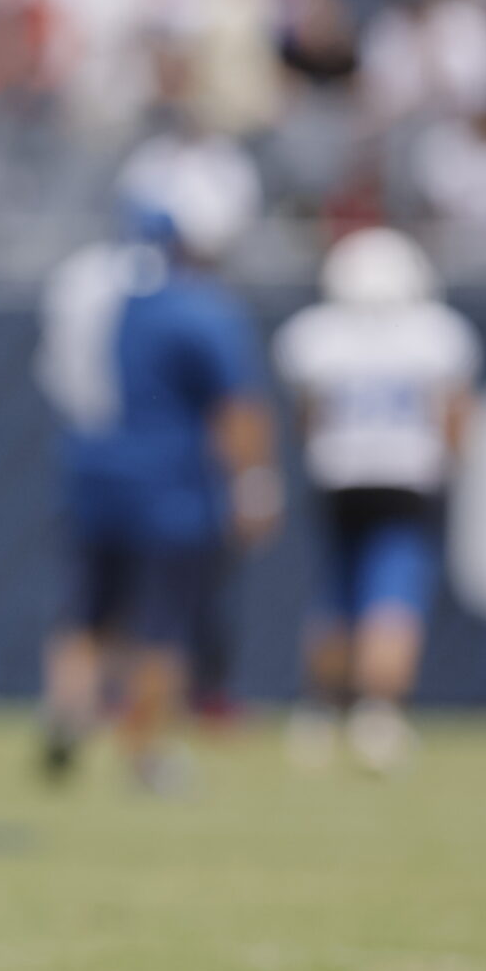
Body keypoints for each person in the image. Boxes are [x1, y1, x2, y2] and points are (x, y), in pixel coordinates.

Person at [36, 199, 281, 790]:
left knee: (88, 612)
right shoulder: (195, 309)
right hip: (169, 483)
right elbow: (236, 408)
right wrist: (253, 484)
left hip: (92, 472)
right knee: (162, 625)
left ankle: (67, 712)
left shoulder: (82, 299)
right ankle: (143, 752)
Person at [272, 228, 478, 774]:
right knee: (393, 596)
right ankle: (377, 714)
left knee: (337, 596)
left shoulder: (316, 335)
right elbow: (454, 419)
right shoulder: (437, 334)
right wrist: (451, 466)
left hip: (341, 479)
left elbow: (309, 417)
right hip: (407, 481)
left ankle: (318, 712)